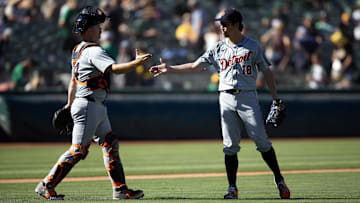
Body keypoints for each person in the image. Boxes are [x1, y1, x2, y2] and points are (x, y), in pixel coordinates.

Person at [149, 8, 290, 200]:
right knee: (230, 146)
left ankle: (279, 180)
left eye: (225, 23)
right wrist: (170, 68)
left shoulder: (253, 46)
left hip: (248, 97)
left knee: (262, 142)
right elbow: (195, 66)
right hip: (225, 97)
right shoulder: (218, 47)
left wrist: (275, 98)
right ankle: (232, 188)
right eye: (221, 23)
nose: (221, 27)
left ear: (235, 24)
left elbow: (267, 72)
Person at [35, 6, 152, 200]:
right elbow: (114, 69)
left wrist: (68, 105)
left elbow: (74, 81)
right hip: (89, 105)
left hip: (91, 104)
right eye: (98, 25)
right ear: (88, 28)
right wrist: (136, 63)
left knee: (110, 143)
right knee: (78, 150)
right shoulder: (93, 50)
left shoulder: (77, 50)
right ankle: (46, 185)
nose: (101, 29)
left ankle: (120, 190)